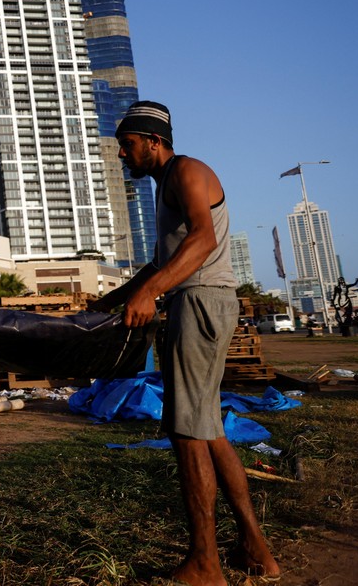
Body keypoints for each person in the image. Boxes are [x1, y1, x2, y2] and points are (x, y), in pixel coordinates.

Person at [91, 101, 279, 585]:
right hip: (200, 303)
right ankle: (256, 549)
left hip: (199, 304)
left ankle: (205, 564)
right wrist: (110, 302)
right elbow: (160, 264)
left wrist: (152, 294)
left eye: (127, 146)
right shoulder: (165, 187)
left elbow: (202, 241)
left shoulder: (188, 171)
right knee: (209, 428)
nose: (122, 156)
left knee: (188, 434)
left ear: (153, 141)